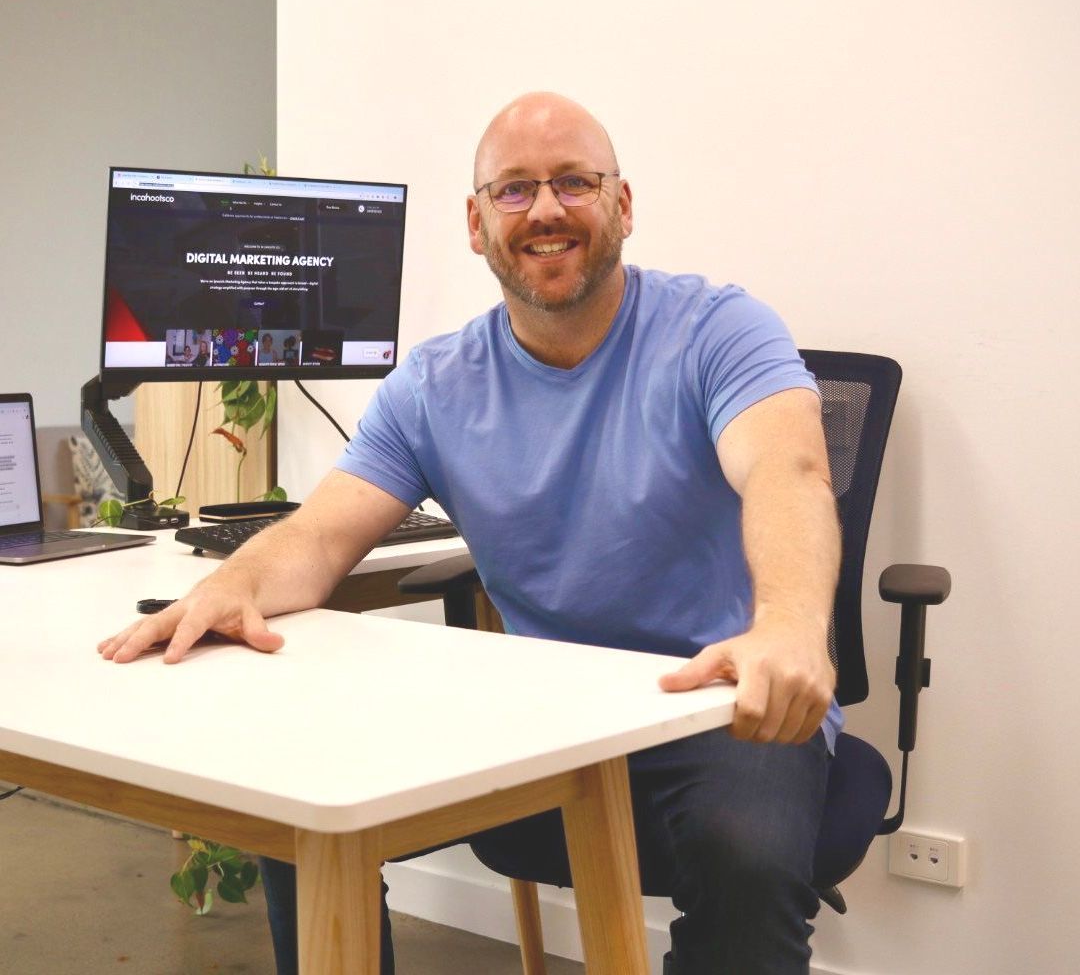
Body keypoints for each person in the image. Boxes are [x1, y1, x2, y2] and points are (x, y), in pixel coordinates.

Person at [99, 92, 840, 974]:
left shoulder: (719, 329)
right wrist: (232, 586)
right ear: (477, 221)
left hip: (719, 696)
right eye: (515, 190)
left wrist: (790, 625)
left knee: (746, 860)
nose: (548, 210)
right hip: (542, 715)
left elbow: (788, 472)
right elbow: (324, 535)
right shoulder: (436, 383)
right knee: (297, 796)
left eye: (574, 181)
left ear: (623, 204)